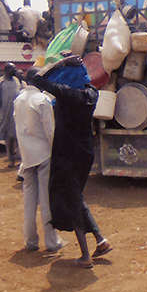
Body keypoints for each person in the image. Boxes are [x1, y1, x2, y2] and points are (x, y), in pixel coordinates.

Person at [30, 55, 112, 269]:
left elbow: (36, 79)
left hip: (67, 154)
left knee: (73, 200)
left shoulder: (67, 94)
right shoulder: (91, 93)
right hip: (85, 153)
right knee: (76, 196)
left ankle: (85, 255)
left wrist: (59, 64)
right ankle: (100, 241)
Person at [14, 67, 66, 252]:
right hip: (44, 155)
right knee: (46, 201)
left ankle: (30, 241)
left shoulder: (18, 100)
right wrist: (59, 154)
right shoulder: (42, 100)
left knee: (29, 201)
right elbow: (51, 132)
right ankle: (52, 242)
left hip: (27, 157)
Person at [0, 64, 20, 166]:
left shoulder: (16, 81)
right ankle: (11, 159)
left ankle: (20, 158)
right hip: (6, 114)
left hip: (17, 113)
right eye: (14, 69)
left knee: (19, 136)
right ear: (7, 70)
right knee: (10, 138)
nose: (15, 71)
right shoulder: (0, 82)